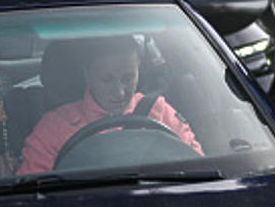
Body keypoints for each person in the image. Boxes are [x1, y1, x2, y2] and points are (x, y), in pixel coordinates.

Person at [17, 36, 202, 174]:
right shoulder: (55, 126)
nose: (119, 92)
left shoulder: (159, 111)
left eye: (128, 78)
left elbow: (199, 168)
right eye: (107, 80)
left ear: (139, 71)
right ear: (86, 75)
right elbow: (32, 190)